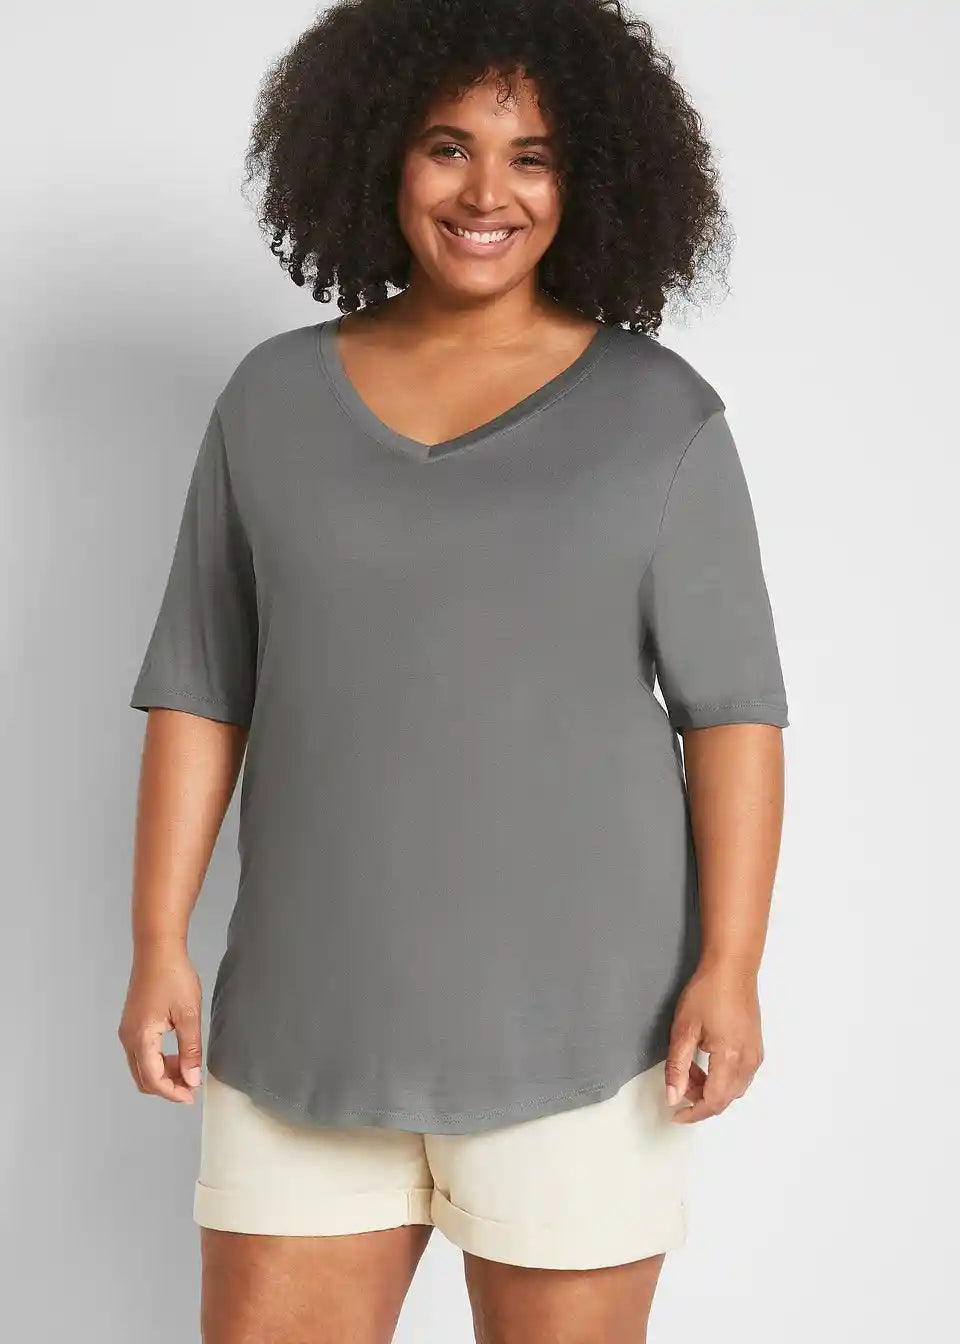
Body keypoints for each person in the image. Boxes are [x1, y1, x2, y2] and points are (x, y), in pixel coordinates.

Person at [118, 1, 789, 1340]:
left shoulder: (658, 416)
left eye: (532, 155)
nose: (488, 192)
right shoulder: (270, 403)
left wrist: (732, 966)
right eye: (448, 146)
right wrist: (156, 944)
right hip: (304, 1028)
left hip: (586, 1039)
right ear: (379, 153)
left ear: (588, 176)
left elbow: (732, 717)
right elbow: (202, 684)